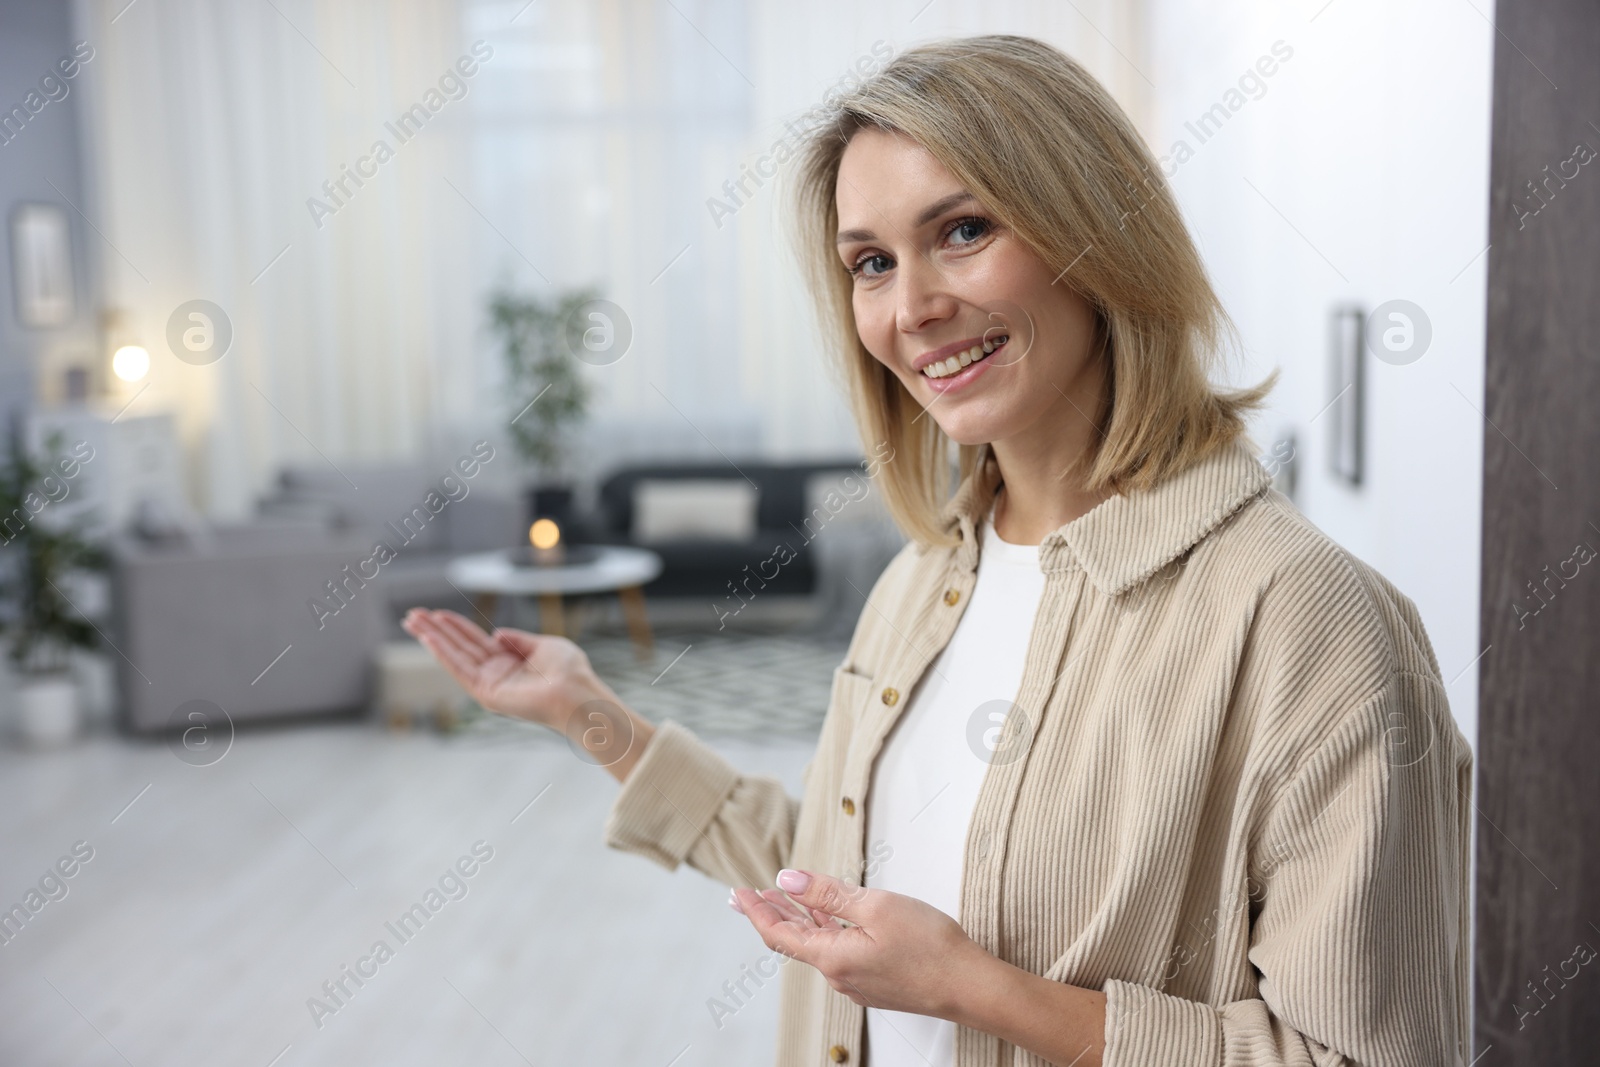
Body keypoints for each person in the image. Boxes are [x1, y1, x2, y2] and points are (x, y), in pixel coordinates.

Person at [403, 34, 1472, 1067]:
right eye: (870, 262)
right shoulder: (920, 583)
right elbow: (835, 872)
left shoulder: (1308, 621)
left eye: (961, 230)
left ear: (1098, 231)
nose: (910, 307)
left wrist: (978, 989)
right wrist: (590, 712)